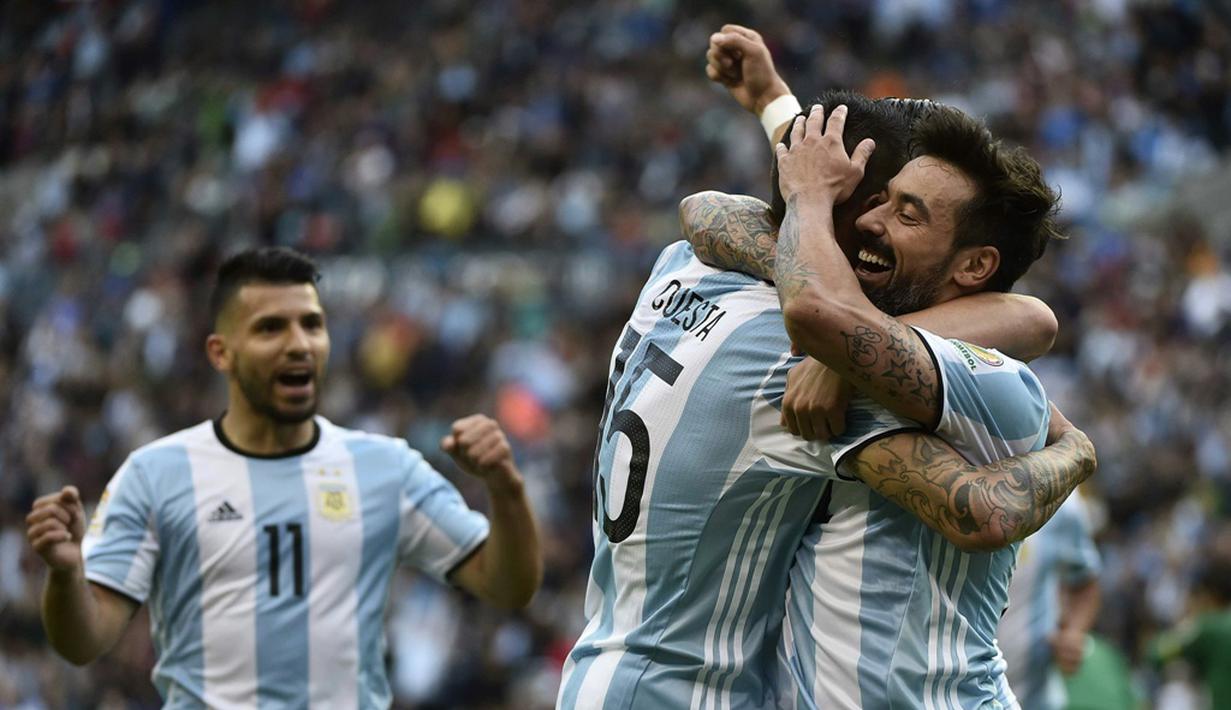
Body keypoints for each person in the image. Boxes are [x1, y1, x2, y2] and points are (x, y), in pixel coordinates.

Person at [558, 63, 1094, 710]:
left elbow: (718, 212)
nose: (873, 225)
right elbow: (984, 487)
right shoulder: (793, 359)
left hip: (603, 670)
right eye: (875, 204)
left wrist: (775, 114)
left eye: (904, 213)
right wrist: (1075, 450)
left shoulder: (684, 267)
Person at [23, 247, 542, 708]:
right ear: (220, 353)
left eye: (311, 324)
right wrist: (66, 575)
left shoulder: (386, 468)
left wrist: (505, 489)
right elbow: (81, 643)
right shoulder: (156, 474)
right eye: (271, 328)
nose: (299, 344)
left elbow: (508, 586)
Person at [999, 492, 1102, 709]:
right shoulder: (937, 481)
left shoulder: (1060, 497)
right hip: (945, 693)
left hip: (1031, 696)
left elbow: (1085, 581)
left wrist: (1073, 632)